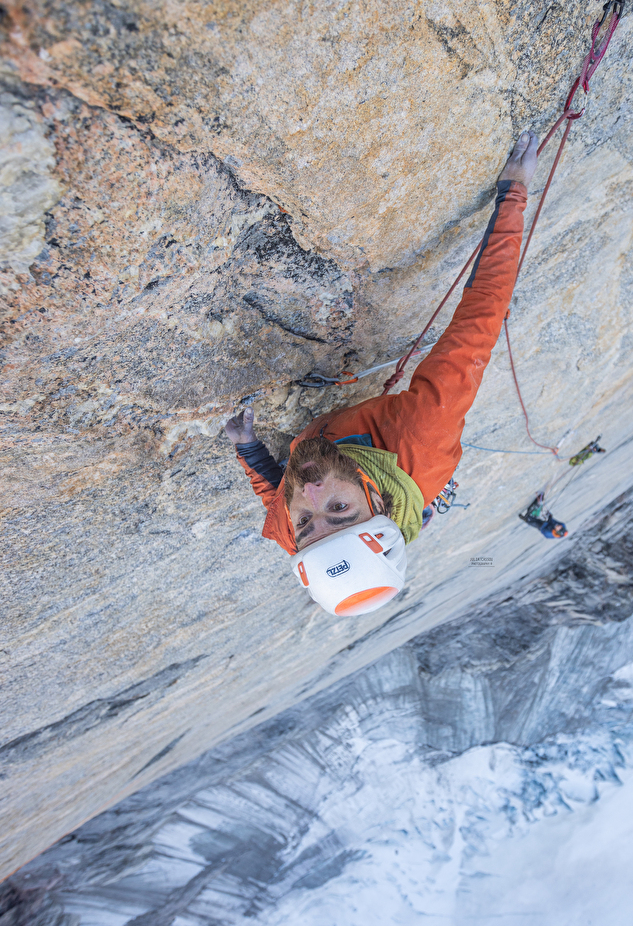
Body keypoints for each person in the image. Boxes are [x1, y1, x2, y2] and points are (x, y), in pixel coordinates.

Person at [224, 129, 539, 617]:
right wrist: (513, 194)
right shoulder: (423, 434)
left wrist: (248, 449)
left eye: (307, 521)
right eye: (340, 510)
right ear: (379, 507)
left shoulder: (293, 536)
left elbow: (276, 498)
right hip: (408, 463)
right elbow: (480, 316)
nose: (310, 495)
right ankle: (427, 506)